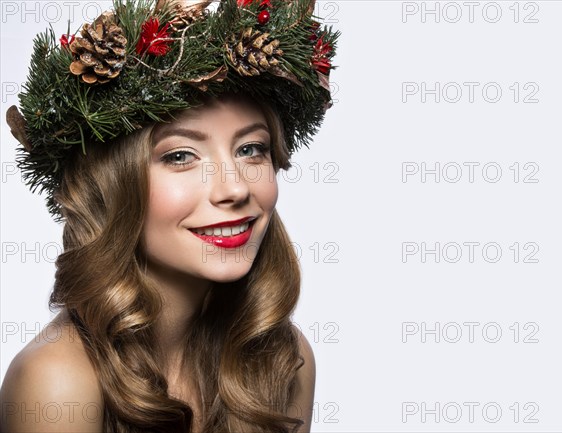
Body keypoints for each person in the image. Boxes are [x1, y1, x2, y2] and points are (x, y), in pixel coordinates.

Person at [0, 0, 339, 432]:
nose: (235, 188)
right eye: (181, 156)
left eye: (251, 149)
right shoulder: (57, 382)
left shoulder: (284, 360)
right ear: (111, 189)